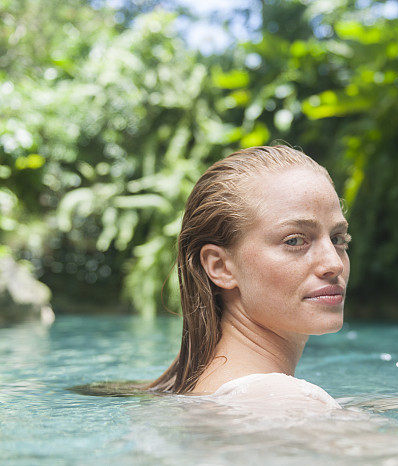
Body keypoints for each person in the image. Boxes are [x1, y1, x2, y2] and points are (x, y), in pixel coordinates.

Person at [148, 144, 350, 410]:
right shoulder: (287, 403)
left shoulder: (203, 391)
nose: (334, 264)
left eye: (338, 239)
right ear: (221, 267)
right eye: (294, 240)